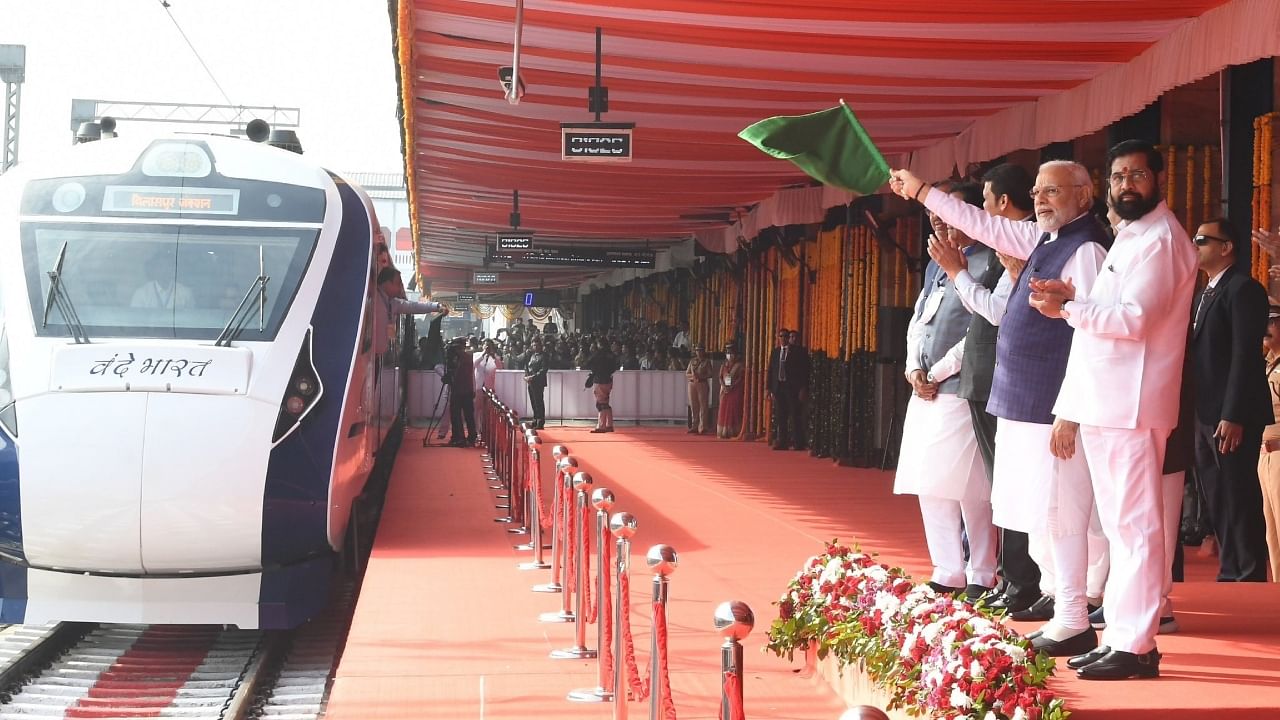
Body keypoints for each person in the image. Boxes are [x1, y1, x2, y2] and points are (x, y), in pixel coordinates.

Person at [988, 140, 1194, 679]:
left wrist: (1068, 306)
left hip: (1132, 402)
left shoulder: (1162, 240)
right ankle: (1123, 635)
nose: (1128, 185)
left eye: (1138, 175)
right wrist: (1070, 300)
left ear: (1159, 179)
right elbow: (1101, 320)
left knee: (1136, 528)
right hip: (1104, 400)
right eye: (1120, 176)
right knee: (1123, 529)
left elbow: (1135, 319)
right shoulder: (1131, 235)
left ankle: (1137, 643)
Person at [908, 164, 1111, 657]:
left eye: (1053, 191)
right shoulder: (1043, 240)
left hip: (1053, 406)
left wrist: (1071, 410)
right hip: (1024, 402)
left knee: (1065, 512)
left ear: (1084, 197)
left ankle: (1075, 614)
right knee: (1038, 513)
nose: (1040, 200)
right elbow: (985, 226)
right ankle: (1064, 609)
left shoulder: (1084, 249)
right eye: (1038, 191)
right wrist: (921, 192)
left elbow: (1091, 336)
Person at [892, 182, 997, 601]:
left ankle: (983, 570)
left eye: (946, 212)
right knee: (928, 480)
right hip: (926, 388)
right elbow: (919, 319)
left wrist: (937, 370)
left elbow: (980, 328)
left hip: (958, 385)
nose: (937, 220)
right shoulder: (937, 262)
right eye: (932, 214)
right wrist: (913, 367)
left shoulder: (988, 258)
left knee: (969, 484)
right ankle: (947, 568)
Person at [1188, 217, 1273, 582]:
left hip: (1231, 413)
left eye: (1203, 240)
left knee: (1238, 493)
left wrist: (1233, 414)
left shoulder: (1243, 289)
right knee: (1216, 495)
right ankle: (1230, 568)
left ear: (1227, 247)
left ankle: (1249, 571)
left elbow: (1244, 355)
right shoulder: (1204, 292)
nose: (1196, 245)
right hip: (1203, 411)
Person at [1259, 300, 1280, 581]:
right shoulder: (1267, 362)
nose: (1265, 329)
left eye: (1271, 322)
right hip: (1264, 455)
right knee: (1272, 534)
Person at [446, 338, 477, 447]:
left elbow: (457, 374)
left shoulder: (461, 359)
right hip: (467, 390)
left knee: (456, 415)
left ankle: (459, 437)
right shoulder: (467, 357)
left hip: (459, 390)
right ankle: (472, 436)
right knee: (469, 415)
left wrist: (450, 377)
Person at [586, 341, 619, 433]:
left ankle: (601, 426)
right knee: (606, 402)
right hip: (608, 380)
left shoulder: (598, 354)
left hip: (599, 380)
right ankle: (609, 424)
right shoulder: (611, 355)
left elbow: (588, 363)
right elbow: (616, 366)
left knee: (600, 404)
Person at [717, 343, 745, 438]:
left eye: (731, 352)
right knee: (723, 410)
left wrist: (732, 386)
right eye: (728, 352)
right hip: (724, 391)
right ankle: (723, 432)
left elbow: (741, 378)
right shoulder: (724, 365)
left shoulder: (739, 365)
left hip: (735, 391)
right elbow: (720, 377)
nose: (729, 354)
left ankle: (733, 431)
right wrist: (724, 386)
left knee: (733, 410)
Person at [686, 345, 714, 434]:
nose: (699, 352)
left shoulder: (706, 362)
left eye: (701, 350)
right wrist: (693, 376)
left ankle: (703, 427)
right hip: (692, 383)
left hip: (702, 383)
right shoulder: (692, 361)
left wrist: (700, 376)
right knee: (694, 405)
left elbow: (710, 374)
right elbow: (687, 373)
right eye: (697, 350)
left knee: (703, 405)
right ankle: (694, 426)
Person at [524, 338, 548, 429]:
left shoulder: (544, 356)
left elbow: (543, 370)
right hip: (530, 381)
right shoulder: (531, 355)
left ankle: (540, 421)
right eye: (534, 345)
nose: (535, 347)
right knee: (533, 401)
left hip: (538, 381)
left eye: (537, 345)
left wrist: (533, 377)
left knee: (539, 401)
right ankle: (535, 419)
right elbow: (526, 366)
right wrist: (526, 375)